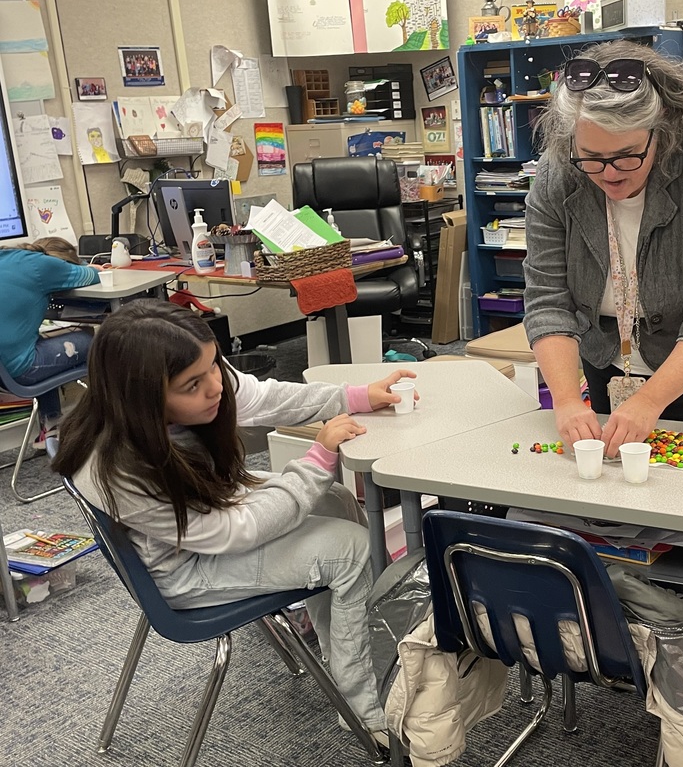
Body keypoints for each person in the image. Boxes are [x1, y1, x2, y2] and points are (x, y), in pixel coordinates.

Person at [52, 300, 418, 741]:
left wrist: (352, 396)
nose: (215, 388)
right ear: (143, 397)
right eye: (193, 384)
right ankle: (367, 711)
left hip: (205, 512)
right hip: (186, 567)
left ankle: (343, 650)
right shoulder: (121, 467)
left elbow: (260, 397)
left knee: (334, 499)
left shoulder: (183, 379)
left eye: (214, 367)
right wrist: (317, 459)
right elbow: (233, 531)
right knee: (352, 551)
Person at [523, 40, 683, 457]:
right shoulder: (556, 174)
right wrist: (566, 401)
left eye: (626, 156)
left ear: (663, 132)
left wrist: (650, 401)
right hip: (606, 354)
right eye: (591, 157)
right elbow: (548, 299)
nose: (609, 174)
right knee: (615, 472)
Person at [0, 236, 101, 439]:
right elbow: (92, 275)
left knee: (42, 344)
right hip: (20, 370)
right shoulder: (42, 265)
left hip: (3, 371)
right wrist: (87, 266)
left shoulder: (7, 257)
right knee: (99, 341)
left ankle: (51, 426)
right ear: (62, 262)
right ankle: (116, 421)